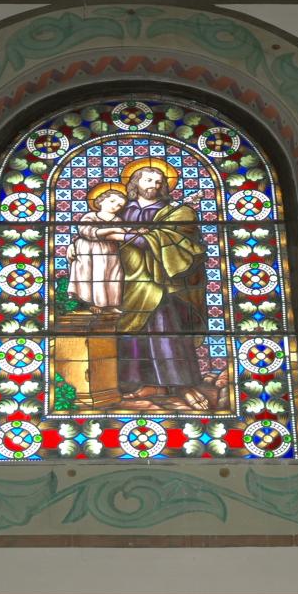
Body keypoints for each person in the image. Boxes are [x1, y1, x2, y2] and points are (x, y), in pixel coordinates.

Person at [115, 158, 210, 412]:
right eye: (148, 180)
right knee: (130, 333)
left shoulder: (174, 211)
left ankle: (182, 384)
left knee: (166, 330)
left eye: (159, 182)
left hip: (163, 281)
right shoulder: (122, 210)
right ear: (135, 183)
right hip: (126, 281)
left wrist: (145, 237)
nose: (154, 185)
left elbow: (181, 240)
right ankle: (141, 383)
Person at [66, 183, 126, 314]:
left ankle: (111, 304)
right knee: (94, 276)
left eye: (120, 205)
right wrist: (112, 230)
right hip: (89, 251)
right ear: (100, 200)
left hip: (110, 251)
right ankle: (94, 303)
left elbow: (122, 234)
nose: (115, 205)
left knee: (114, 276)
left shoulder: (117, 219)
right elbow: (86, 231)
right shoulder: (90, 216)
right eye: (112, 201)